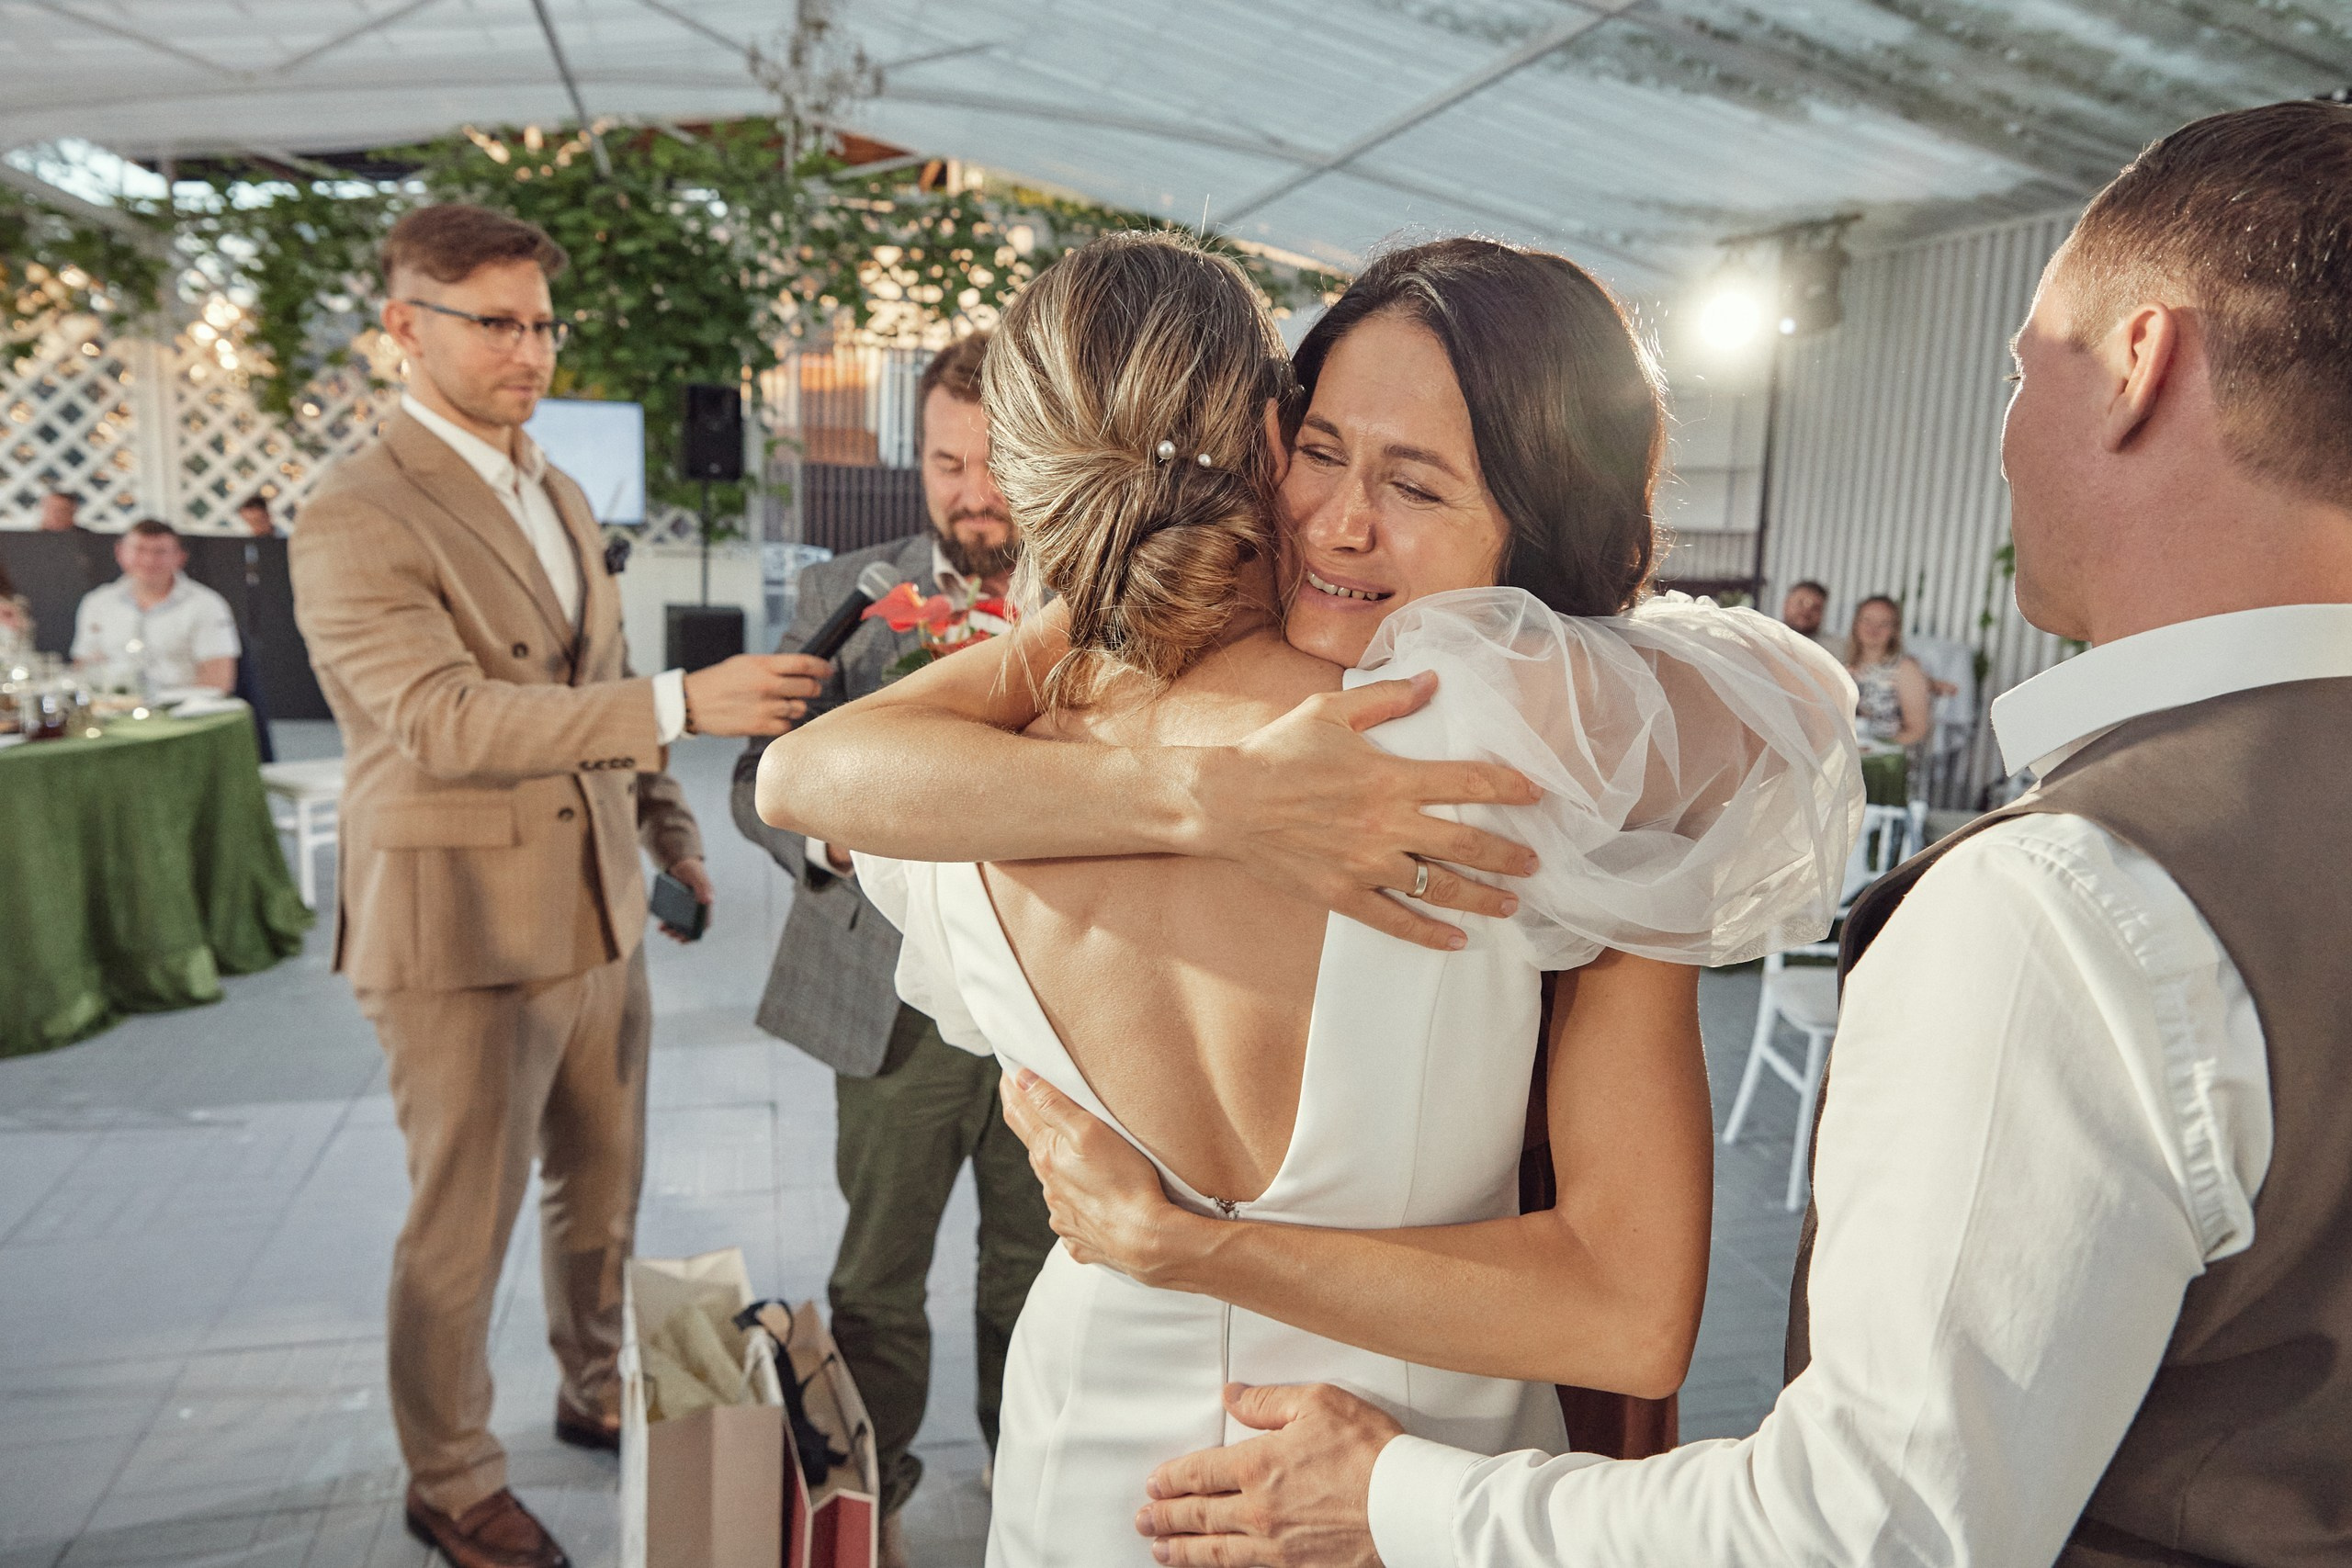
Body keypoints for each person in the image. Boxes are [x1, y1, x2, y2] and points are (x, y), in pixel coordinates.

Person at [1121, 97, 2352, 1568]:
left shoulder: (2077, 900)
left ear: (2140, 366)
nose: (1335, 519)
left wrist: (1390, 1494)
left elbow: (1871, 1528)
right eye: (1318, 451)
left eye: (2018, 368)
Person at [760, 232, 1860, 1564]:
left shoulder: (956, 802)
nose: (1341, 520)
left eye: (1415, 482)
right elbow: (1795, 697)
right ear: (1258, 440)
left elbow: (802, 774)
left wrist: (1181, 1244)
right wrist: (1210, 790)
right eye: (1322, 450)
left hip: (1145, 1482)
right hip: (1420, 1462)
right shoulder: (1552, 775)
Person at [290, 203, 819, 1568]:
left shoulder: (556, 484)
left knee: (604, 1185)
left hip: (595, 903)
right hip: (456, 924)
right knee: (457, 1224)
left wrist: (665, 826)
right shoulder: (354, 509)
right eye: (496, 322)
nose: (529, 348)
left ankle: (595, 1385)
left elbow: (590, 681)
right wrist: (684, 700)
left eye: (540, 322)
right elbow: (444, 718)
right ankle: (452, 1474)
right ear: (405, 325)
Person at [728, 330, 1052, 1567]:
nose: (972, 490)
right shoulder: (855, 589)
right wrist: (840, 845)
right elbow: (761, 772)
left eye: (998, 461)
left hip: (1044, 1006)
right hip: (893, 1011)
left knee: (1034, 1274)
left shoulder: (1099, 596)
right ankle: (877, 1502)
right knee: (877, 1275)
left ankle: (1032, 1491)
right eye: (947, 459)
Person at [71, 518, 241, 694]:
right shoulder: (97, 603)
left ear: (180, 557)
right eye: (139, 550)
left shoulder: (207, 604)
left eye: (160, 552)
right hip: (115, 707)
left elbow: (219, 680)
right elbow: (84, 668)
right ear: (120, 552)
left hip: (182, 711)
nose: (149, 560)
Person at [1841, 592, 1932, 748]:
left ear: (1894, 631)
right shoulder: (1842, 664)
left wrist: (1876, 749)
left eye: (1884, 623)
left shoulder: (1905, 668)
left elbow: (1917, 730)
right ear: (1855, 624)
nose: (1873, 629)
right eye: (1867, 620)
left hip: (1882, 758)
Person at [1778, 578, 1830, 644]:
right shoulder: (1765, 636)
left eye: (1815, 607)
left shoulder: (1833, 650)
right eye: (1800, 603)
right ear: (1786, 604)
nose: (1806, 611)